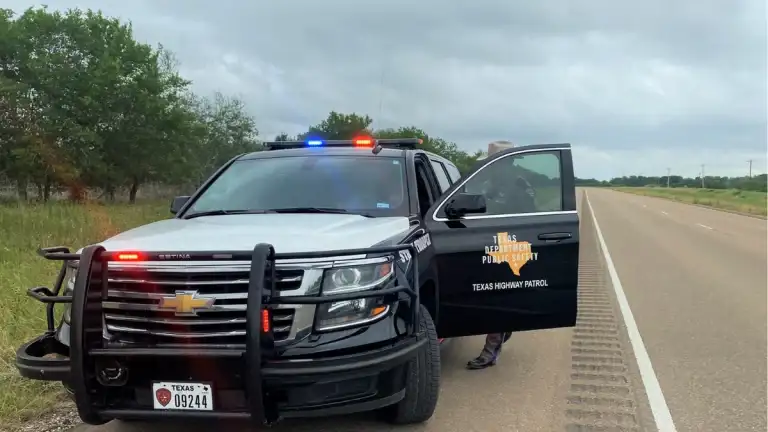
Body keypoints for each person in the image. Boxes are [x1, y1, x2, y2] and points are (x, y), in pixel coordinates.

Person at [465, 141, 537, 370]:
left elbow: (531, 214)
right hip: (486, 243)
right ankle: (504, 326)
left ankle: (489, 353)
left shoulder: (519, 184)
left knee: (496, 298)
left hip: (510, 245)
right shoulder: (486, 182)